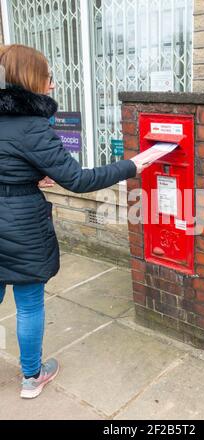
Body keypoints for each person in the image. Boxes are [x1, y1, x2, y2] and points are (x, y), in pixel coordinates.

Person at [0, 44, 146, 399]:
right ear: (32, 78)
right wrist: (132, 166)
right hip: (19, 224)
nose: (52, 85)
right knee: (29, 302)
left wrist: (24, 175)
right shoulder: (32, 127)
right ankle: (32, 377)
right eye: (48, 77)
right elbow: (78, 180)